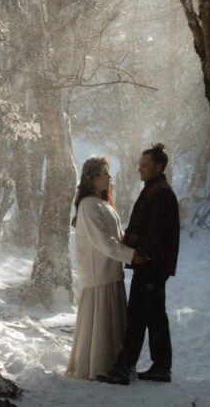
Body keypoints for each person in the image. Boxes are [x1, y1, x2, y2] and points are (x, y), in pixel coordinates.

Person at [97, 143, 180, 385]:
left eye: (144, 165)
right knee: (154, 315)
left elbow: (159, 231)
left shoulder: (161, 192)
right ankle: (161, 367)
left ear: (159, 166)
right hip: (154, 264)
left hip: (151, 265)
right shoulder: (154, 189)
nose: (139, 169)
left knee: (137, 316)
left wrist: (140, 254)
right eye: (140, 164)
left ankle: (124, 368)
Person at [66, 157, 144, 380]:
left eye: (108, 173)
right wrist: (131, 256)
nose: (109, 177)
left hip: (110, 270)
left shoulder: (104, 204)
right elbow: (102, 241)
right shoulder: (89, 205)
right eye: (104, 173)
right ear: (91, 179)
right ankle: (96, 366)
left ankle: (111, 366)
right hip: (98, 271)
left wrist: (133, 243)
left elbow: (116, 237)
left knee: (110, 323)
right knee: (100, 322)